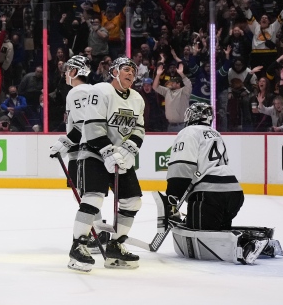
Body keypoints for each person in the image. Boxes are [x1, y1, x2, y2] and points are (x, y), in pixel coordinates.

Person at [153, 103, 280, 264]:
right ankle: (264, 242)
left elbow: (181, 166)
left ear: (191, 117)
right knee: (218, 230)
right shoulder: (215, 133)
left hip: (209, 195)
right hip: (234, 193)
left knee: (199, 234)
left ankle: (248, 244)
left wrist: (172, 199)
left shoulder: (188, 132)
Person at [70, 56, 145, 271]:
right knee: (93, 197)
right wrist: (108, 151)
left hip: (120, 155)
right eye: (126, 69)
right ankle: (78, 246)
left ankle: (115, 246)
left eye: (133, 71)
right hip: (94, 152)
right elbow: (93, 126)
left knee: (133, 201)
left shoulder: (138, 98)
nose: (131, 74)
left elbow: (139, 129)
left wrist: (128, 150)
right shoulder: (101, 91)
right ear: (114, 72)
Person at [49, 55, 110, 271]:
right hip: (87, 150)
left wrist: (65, 143)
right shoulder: (87, 91)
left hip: (85, 151)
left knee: (88, 194)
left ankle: (96, 234)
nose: (66, 73)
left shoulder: (78, 91)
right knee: (89, 193)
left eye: (68, 70)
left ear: (75, 72)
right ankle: (98, 231)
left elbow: (84, 124)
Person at [153, 62, 192, 132]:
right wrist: (158, 75)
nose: (170, 84)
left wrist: (181, 74)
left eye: (172, 82)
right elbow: (155, 87)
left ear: (178, 84)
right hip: (170, 125)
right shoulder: (167, 91)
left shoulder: (184, 91)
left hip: (182, 125)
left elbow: (188, 84)